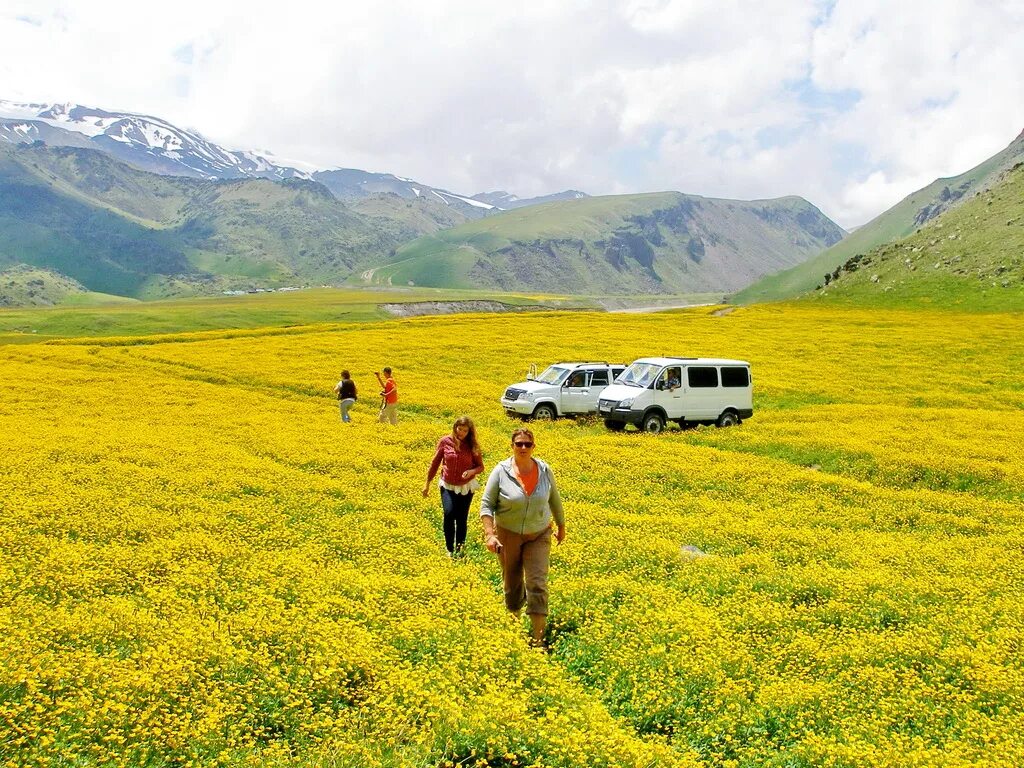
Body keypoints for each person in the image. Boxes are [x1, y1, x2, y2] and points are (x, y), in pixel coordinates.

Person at [480, 427, 566, 647]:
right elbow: (486, 505)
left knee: (537, 582)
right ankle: (513, 632)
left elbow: (554, 499)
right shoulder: (501, 471)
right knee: (513, 581)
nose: (523, 448)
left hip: (539, 533)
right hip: (508, 534)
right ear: (512, 446)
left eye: (528, 444)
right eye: (519, 444)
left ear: (533, 446)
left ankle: (538, 640)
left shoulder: (545, 470)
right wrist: (490, 534)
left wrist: (561, 525)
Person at [423, 416, 485, 557]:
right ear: (455, 427)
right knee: (449, 513)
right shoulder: (445, 442)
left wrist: (471, 471)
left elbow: (480, 466)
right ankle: (449, 548)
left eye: (465, 430)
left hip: (466, 486)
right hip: (448, 485)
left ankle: (460, 548)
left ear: (469, 432)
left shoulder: (472, 445)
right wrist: (427, 483)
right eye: (459, 429)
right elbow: (435, 463)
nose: (461, 433)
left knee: (461, 518)